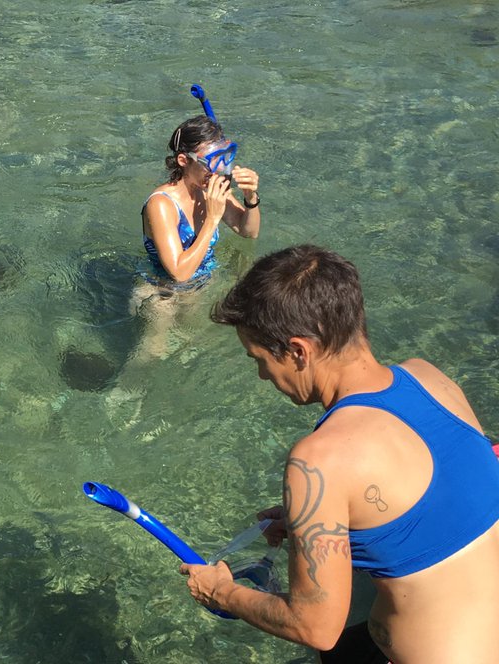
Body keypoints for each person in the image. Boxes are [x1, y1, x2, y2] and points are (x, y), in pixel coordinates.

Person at [180, 245, 499, 663]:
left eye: (259, 359)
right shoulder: (429, 378)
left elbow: (314, 626)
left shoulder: (319, 460)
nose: (262, 375)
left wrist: (220, 591)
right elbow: (440, 502)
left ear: (298, 351)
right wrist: (322, 521)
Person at [131, 115, 262, 360]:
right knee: (153, 353)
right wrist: (212, 218)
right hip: (163, 293)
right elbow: (179, 273)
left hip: (203, 286)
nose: (219, 170)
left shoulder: (209, 188)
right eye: (211, 162)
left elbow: (249, 231)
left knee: (193, 348)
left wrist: (251, 197)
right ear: (183, 161)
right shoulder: (161, 204)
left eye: (224, 158)